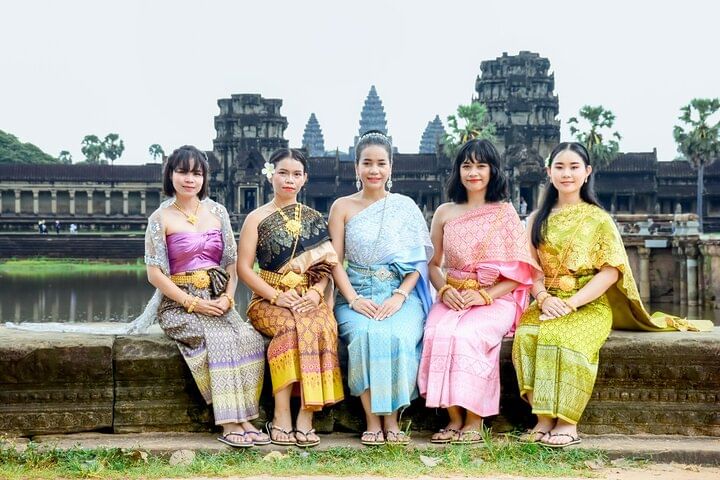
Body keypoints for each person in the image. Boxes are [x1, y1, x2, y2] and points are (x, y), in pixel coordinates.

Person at [512, 142, 713, 448]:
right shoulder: (536, 218)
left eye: (574, 167)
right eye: (560, 167)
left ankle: (567, 422)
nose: (567, 174)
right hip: (548, 299)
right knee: (526, 334)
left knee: (565, 340)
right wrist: (543, 298)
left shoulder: (599, 219)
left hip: (588, 303)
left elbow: (610, 271)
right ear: (548, 172)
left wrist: (572, 303)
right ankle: (542, 418)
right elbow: (533, 271)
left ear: (587, 172)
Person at [143, 145, 267, 449]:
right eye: (182, 171)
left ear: (204, 177)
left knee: (248, 337)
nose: (189, 179)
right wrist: (192, 302)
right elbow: (155, 274)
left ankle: (246, 417)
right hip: (179, 304)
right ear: (170, 174)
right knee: (219, 339)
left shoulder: (217, 212)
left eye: (196, 173)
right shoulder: (160, 218)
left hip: (217, 298)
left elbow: (231, 262)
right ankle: (228, 420)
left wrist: (227, 297)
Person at [417, 139, 538, 444]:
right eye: (467, 165)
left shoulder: (505, 213)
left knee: (468, 336)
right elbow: (432, 265)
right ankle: (453, 418)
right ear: (457, 171)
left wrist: (485, 296)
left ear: (493, 171)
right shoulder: (444, 212)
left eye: (481, 165)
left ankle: (474, 419)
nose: (473, 172)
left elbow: (521, 272)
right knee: (435, 332)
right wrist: (444, 290)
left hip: (495, 298)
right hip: (453, 294)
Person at [329, 130, 433, 446]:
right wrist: (352, 298)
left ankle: (393, 420)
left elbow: (417, 263)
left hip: (401, 294)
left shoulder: (405, 206)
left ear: (391, 168)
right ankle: (373, 420)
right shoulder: (342, 207)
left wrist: (401, 296)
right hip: (356, 293)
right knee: (364, 336)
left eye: (381, 163)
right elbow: (334, 261)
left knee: (399, 336)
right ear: (355, 168)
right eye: (367, 163)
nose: (374, 170)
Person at [239, 148, 344, 448]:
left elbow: (327, 265)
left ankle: (307, 414)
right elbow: (244, 269)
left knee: (321, 326)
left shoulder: (313, 218)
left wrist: (315, 292)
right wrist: (275, 296)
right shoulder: (256, 218)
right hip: (267, 300)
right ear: (270, 175)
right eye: (283, 172)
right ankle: (282, 413)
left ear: (305, 179)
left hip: (309, 296)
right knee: (288, 329)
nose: (289, 179)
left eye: (296, 174)